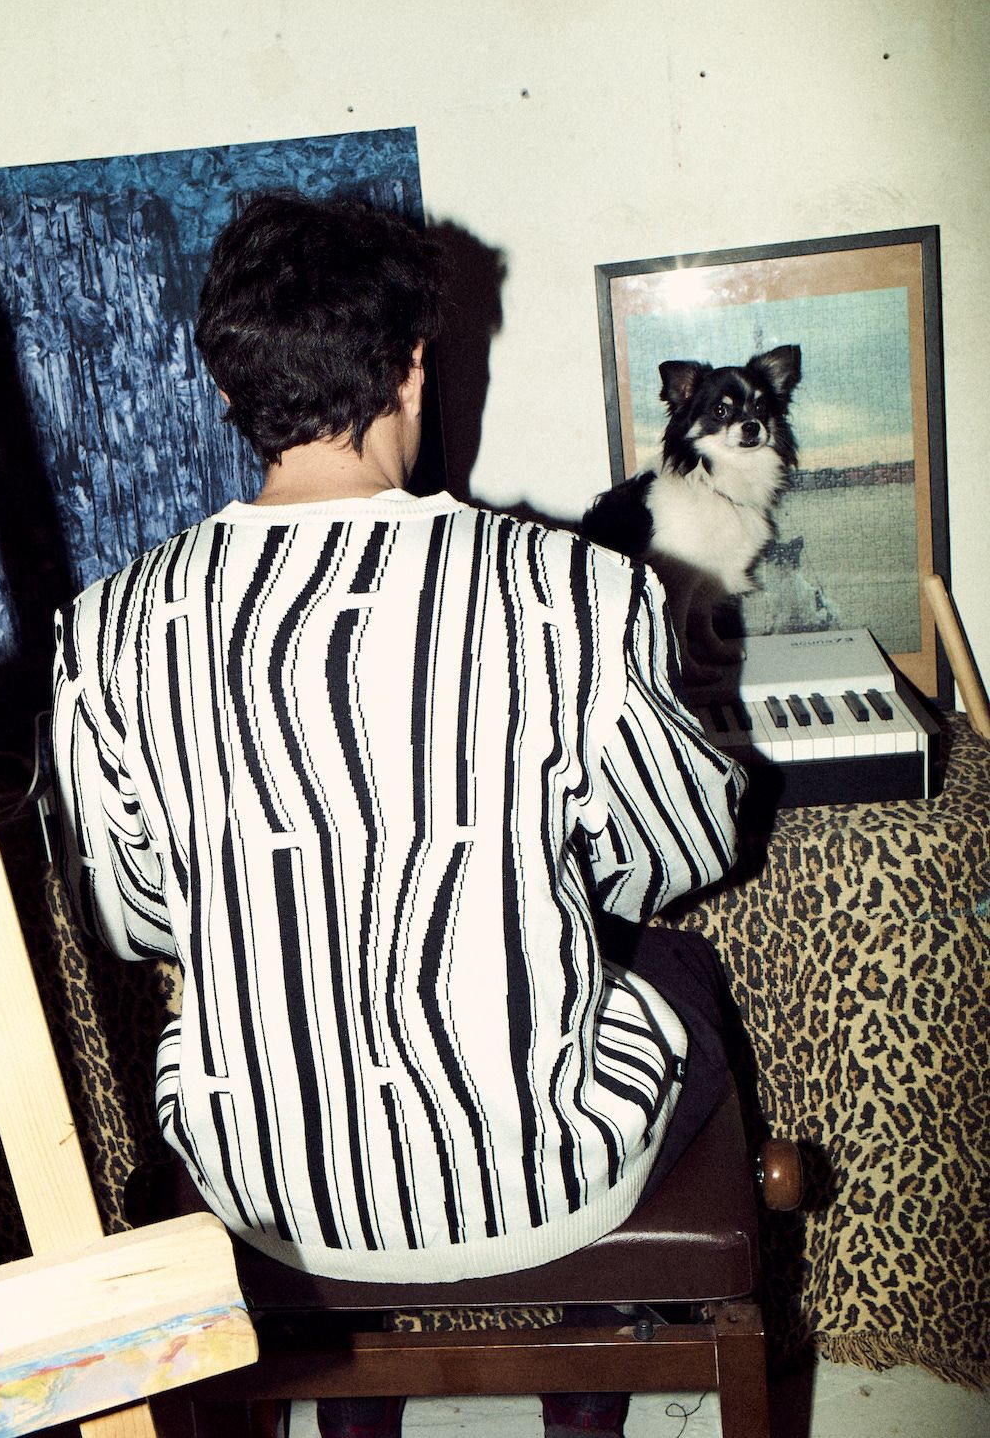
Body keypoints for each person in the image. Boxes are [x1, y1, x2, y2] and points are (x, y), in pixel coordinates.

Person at [51, 193, 747, 1438]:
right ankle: (583, 1390)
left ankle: (349, 1411)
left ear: (229, 387)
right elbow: (680, 853)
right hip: (542, 1173)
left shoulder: (106, 630)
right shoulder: (575, 590)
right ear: (412, 367)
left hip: (261, 1180)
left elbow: (133, 917)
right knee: (678, 972)